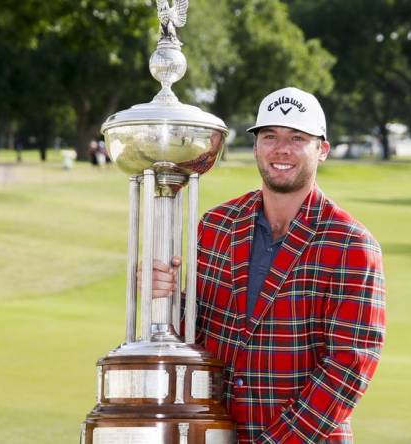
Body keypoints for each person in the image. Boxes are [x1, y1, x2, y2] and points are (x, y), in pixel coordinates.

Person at [151, 87, 386, 443]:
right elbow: (198, 333)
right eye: (270, 136)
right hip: (218, 432)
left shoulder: (351, 243)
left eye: (297, 138)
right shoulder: (217, 224)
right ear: (257, 146)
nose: (282, 149)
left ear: (322, 149)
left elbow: (349, 365)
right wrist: (165, 298)